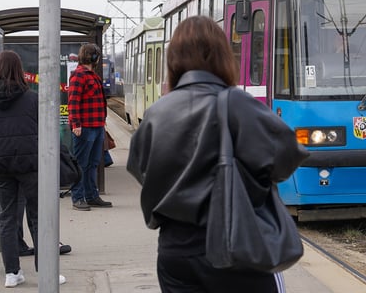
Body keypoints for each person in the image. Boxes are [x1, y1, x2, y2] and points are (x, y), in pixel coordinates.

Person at [127, 16, 308, 293]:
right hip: (236, 243)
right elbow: (286, 157)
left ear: (173, 60)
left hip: (174, 252)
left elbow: (139, 168)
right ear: (222, 55)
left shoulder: (156, 113)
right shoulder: (237, 103)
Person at [0, 51, 66, 287]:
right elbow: (45, 127)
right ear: (19, 70)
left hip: (0, 165)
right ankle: (45, 270)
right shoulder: (32, 98)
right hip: (30, 164)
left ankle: (12, 273)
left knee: (7, 217)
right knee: (37, 216)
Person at [68, 43, 111, 211]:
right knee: (80, 163)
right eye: (97, 56)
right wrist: (76, 124)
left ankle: (92, 196)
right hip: (84, 127)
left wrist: (103, 121)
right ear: (93, 57)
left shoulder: (93, 75)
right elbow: (73, 102)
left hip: (97, 126)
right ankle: (77, 198)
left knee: (93, 163)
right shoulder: (79, 75)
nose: (98, 59)